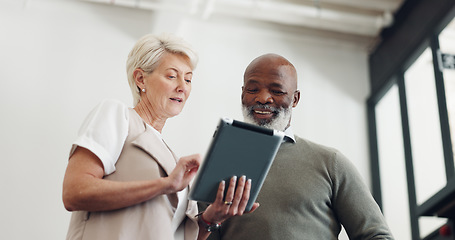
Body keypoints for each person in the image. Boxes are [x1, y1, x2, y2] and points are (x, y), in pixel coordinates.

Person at [62, 33, 258, 240]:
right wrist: (164, 185)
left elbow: (179, 235)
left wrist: (212, 217)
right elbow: (74, 192)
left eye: (188, 79)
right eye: (172, 76)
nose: (183, 86)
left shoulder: (174, 160)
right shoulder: (118, 116)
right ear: (140, 79)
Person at [203, 53, 394, 239]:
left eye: (277, 91)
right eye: (253, 90)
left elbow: (376, 236)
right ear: (242, 93)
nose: (263, 98)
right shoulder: (218, 166)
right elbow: (195, 234)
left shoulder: (330, 163)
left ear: (295, 99)